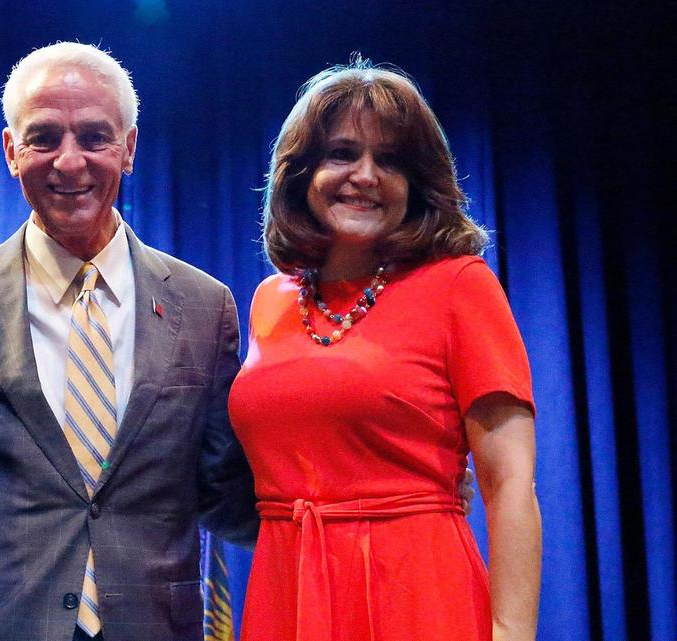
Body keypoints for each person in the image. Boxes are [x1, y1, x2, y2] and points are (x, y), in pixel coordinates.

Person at [0, 42, 258, 641]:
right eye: (44, 137)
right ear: (10, 152)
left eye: (95, 137)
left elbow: (222, 486)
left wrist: (372, 494)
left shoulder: (206, 307)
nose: (69, 162)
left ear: (129, 148)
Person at [229, 59, 542, 641]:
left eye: (390, 160)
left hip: (417, 593)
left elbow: (509, 486)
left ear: (417, 183)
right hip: (286, 590)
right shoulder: (269, 301)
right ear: (302, 174)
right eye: (342, 153)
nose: (365, 175)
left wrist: (512, 633)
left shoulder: (459, 284)